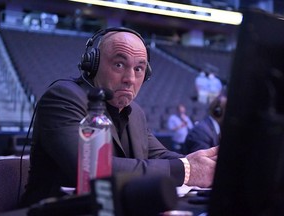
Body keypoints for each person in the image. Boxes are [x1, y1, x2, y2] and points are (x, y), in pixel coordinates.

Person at [20, 27, 218, 206]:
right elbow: (92, 169)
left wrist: (200, 163)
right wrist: (188, 170)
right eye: (119, 65)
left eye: (139, 69)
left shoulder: (136, 112)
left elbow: (159, 155)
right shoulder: (63, 97)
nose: (130, 79)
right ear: (93, 63)